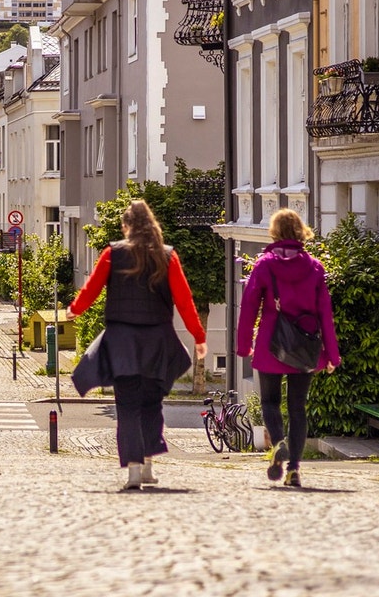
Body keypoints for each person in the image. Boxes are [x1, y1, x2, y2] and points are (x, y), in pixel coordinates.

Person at [69, 199, 207, 490]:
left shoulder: (113, 254)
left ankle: (133, 470)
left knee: (128, 406)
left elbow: (92, 287)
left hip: (122, 342)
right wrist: (199, 336)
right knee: (151, 405)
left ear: (127, 226)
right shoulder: (167, 257)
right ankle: (147, 465)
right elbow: (184, 300)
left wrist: (75, 309)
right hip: (157, 342)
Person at [236, 208, 341, 489]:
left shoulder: (264, 265)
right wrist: (332, 354)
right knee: (298, 408)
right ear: (300, 232)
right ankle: (294, 468)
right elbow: (325, 314)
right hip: (305, 346)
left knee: (270, 402)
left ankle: (278, 442)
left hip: (271, 343)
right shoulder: (315, 268)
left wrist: (244, 344)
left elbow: (249, 307)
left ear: (275, 232)